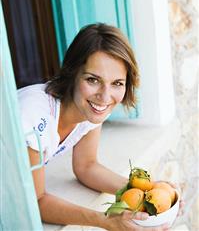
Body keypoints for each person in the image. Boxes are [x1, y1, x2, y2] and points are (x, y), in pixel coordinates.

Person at [18, 23, 172, 231]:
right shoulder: (33, 116)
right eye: (93, 80)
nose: (105, 97)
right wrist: (105, 221)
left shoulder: (89, 110)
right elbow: (36, 202)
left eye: (117, 83)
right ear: (72, 73)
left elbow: (86, 166)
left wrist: (147, 194)